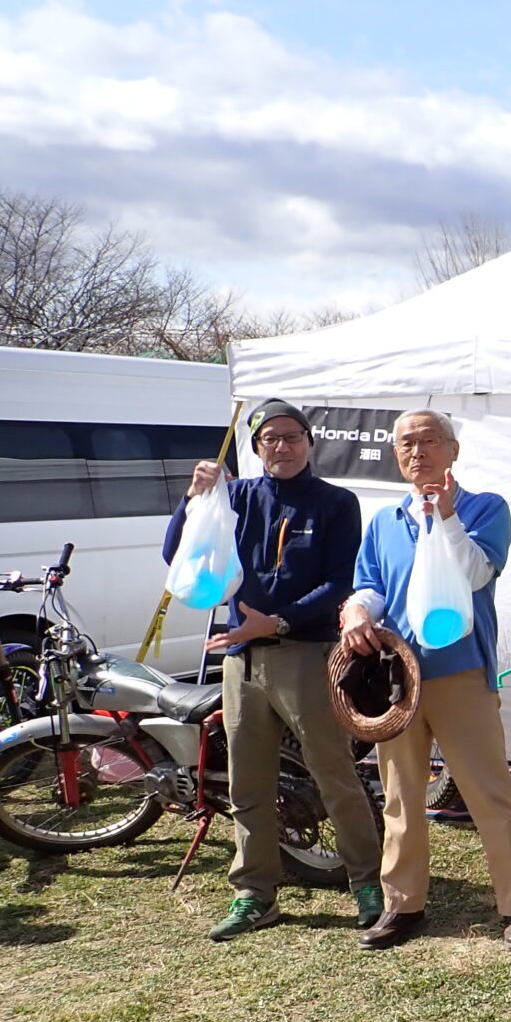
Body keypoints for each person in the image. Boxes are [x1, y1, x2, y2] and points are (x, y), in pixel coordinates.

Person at [164, 398, 383, 942]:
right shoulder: (235, 496)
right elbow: (179, 555)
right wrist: (192, 500)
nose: (281, 447)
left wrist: (280, 621)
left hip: (306, 652)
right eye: (270, 438)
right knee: (248, 780)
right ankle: (255, 893)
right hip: (241, 659)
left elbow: (341, 581)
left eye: (292, 437)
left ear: (310, 442)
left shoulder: (335, 502)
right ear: (257, 446)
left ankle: (367, 882)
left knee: (332, 772)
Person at [339, 410, 511, 950]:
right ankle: (402, 905)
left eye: (429, 440)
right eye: (406, 443)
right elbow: (371, 585)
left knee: (488, 793)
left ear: (453, 449)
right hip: (399, 679)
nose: (418, 451)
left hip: (461, 673)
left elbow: (476, 573)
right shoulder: (385, 522)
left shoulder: (485, 508)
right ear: (396, 456)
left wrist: (448, 515)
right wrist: (356, 610)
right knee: (400, 796)